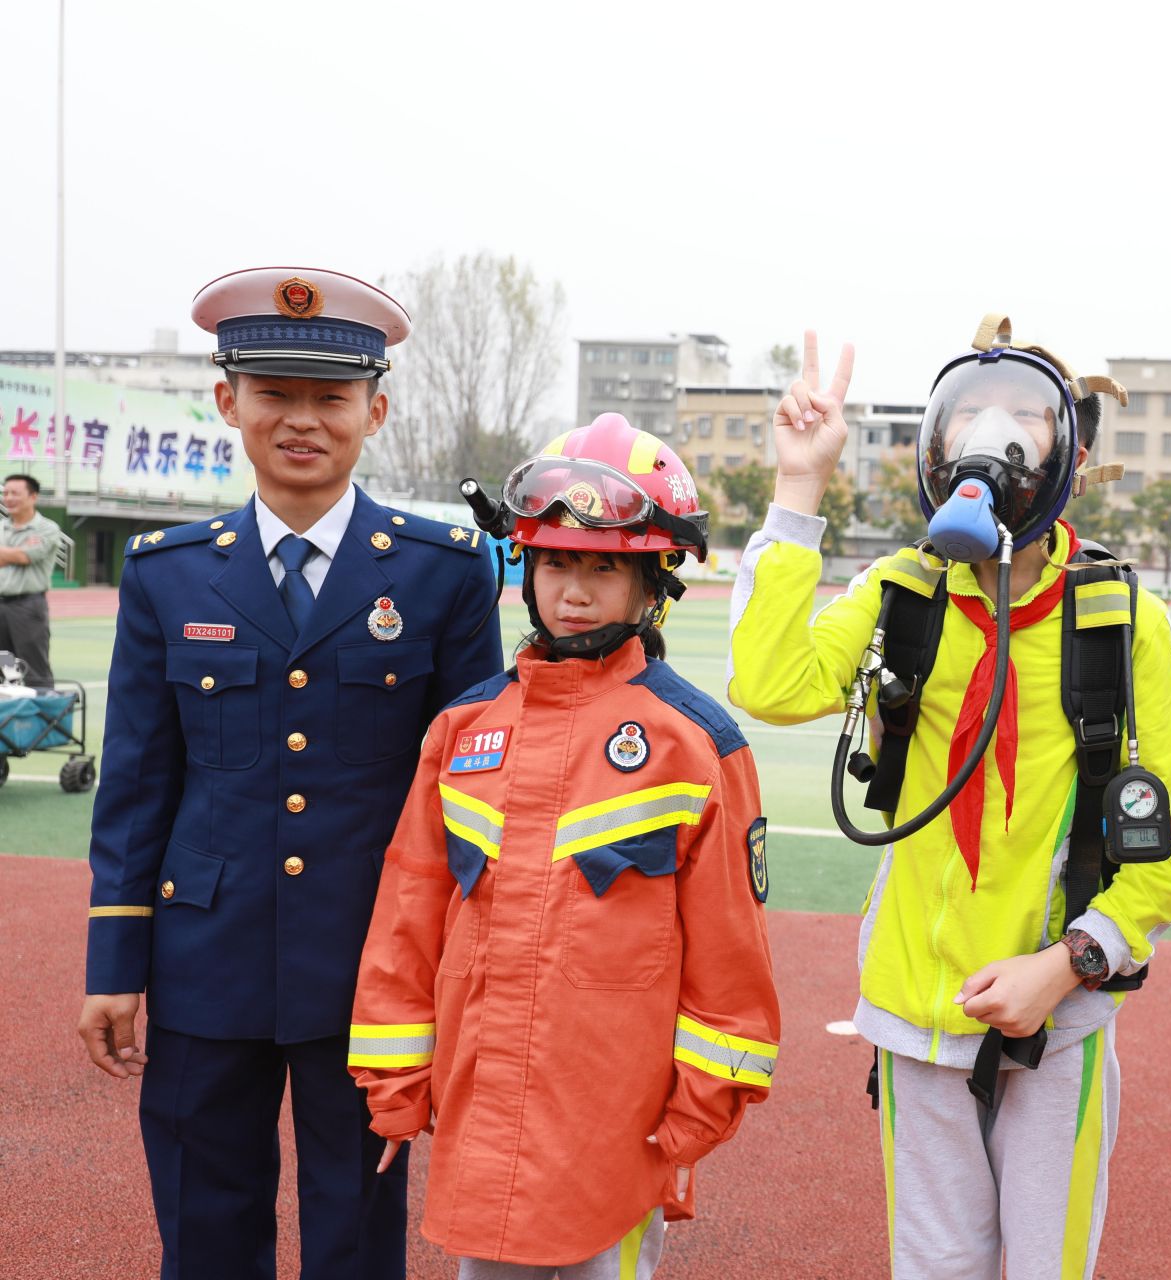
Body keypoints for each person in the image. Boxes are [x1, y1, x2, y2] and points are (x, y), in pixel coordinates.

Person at [728, 321, 1171, 1279]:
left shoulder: (1122, 620)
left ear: (1071, 457)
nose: (992, 439)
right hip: (913, 1015)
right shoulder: (900, 593)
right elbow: (767, 683)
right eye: (971, 417)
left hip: (1058, 1023)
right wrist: (798, 487)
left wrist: (1069, 965)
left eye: (1023, 419)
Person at [78, 267, 505, 1279]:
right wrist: (113, 965)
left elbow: (473, 793)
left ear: (375, 412)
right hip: (203, 958)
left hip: (372, 963)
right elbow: (136, 783)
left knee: (357, 1229)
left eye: (331, 398)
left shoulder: (444, 572)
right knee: (204, 1224)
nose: (301, 420)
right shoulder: (168, 572)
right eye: (273, 393)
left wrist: (463, 971)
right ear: (228, 402)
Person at [349, 413, 779, 1279]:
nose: (573, 590)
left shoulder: (696, 745)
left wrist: (700, 1109)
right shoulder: (463, 730)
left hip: (617, 1125)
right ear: (526, 568)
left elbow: (730, 954)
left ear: (653, 583)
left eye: (603, 567)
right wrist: (395, 1085)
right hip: (481, 1113)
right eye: (554, 563)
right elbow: (409, 911)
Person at [0, 472, 63, 686]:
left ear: (33, 496)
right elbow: (18, 555)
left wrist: (16, 555)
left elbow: (24, 557)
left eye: (15, 493)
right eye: (6, 493)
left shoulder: (47, 528)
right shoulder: (2, 527)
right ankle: (8, 706)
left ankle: (44, 707)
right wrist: (16, 553)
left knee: (34, 667)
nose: (9, 498)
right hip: (1, 606)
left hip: (27, 607)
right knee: (5, 666)